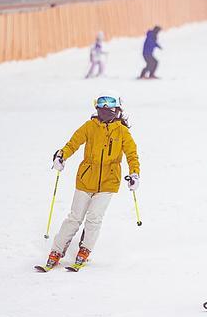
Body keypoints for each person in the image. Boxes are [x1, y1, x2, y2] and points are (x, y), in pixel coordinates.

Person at [42, 92, 140, 270]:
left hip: (109, 181)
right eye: (101, 108)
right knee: (75, 217)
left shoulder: (122, 132)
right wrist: (61, 155)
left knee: (94, 218)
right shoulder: (89, 126)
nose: (105, 112)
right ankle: (56, 251)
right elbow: (73, 143)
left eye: (109, 108)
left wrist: (134, 174)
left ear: (116, 110)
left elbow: (132, 155)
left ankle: (85, 250)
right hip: (86, 178)